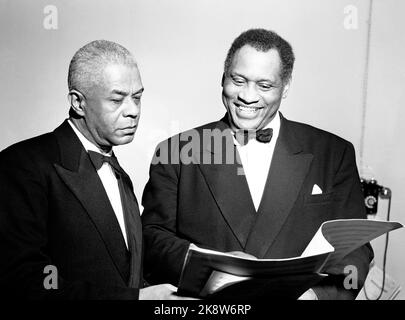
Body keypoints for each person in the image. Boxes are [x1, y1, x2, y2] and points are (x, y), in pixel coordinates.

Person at [141, 29, 374, 300]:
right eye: (238, 80)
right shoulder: (176, 151)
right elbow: (152, 240)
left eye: (264, 86)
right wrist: (214, 264)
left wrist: (318, 297)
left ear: (286, 87)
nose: (248, 97)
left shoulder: (334, 153)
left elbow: (356, 251)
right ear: (223, 78)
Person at [0, 40, 192, 300]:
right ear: (78, 102)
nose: (133, 111)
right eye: (117, 99)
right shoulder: (22, 165)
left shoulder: (120, 175)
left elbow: (125, 273)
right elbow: (23, 281)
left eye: (137, 97)